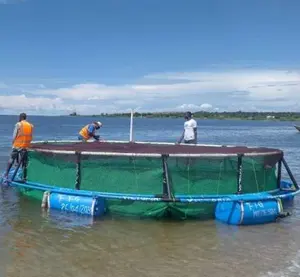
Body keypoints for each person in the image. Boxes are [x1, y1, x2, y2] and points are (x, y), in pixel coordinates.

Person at [4, 113, 34, 181]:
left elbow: (14, 136)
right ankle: (24, 177)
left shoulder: (18, 124)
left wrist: (13, 144)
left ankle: (6, 175)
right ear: (25, 118)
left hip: (17, 145)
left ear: (20, 117)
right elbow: (31, 136)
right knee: (24, 162)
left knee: (11, 160)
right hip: (25, 146)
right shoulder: (31, 125)